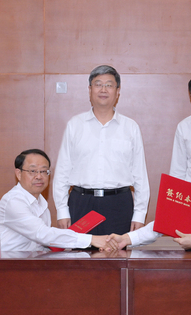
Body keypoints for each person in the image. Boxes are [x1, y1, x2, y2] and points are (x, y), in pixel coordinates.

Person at [52, 65, 149, 235]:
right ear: (90, 90)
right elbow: (62, 171)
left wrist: (140, 214)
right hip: (81, 203)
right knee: (81, 252)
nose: (103, 89)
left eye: (109, 85)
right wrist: (62, 210)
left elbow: (140, 174)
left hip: (119, 204)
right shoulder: (75, 125)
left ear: (117, 92)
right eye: (98, 84)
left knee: (117, 252)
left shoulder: (130, 127)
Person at [0, 149, 115, 252]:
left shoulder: (41, 202)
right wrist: (91, 240)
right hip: (4, 264)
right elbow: (41, 233)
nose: (39, 176)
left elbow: (41, 243)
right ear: (19, 174)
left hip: (29, 261)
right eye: (32, 171)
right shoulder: (13, 201)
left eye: (44, 171)